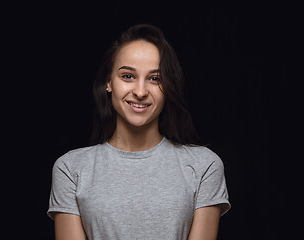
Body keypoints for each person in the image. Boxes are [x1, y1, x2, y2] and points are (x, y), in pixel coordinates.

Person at [48, 24, 230, 240]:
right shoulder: (71, 169)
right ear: (109, 82)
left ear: (169, 86)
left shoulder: (204, 166)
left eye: (155, 79)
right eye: (127, 76)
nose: (141, 92)